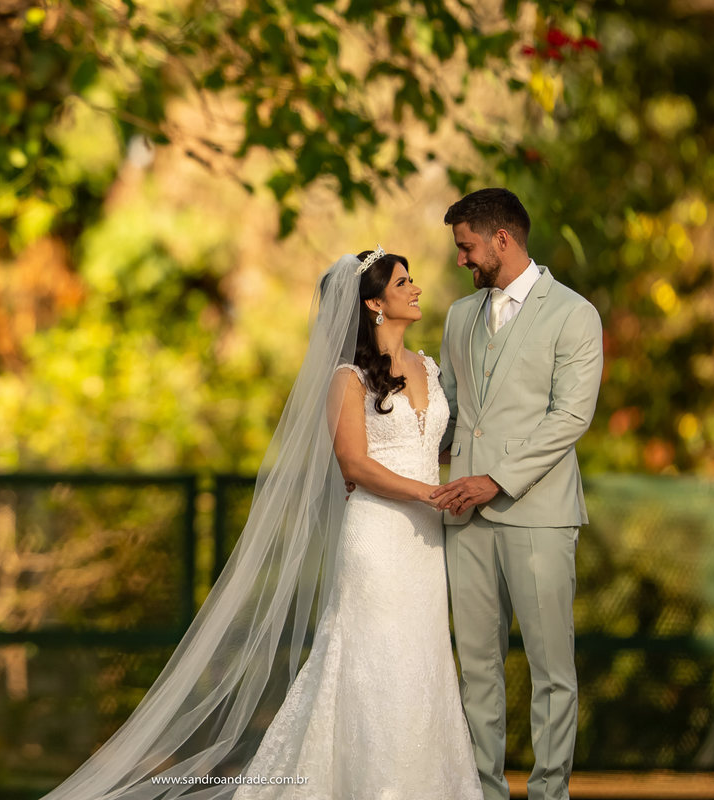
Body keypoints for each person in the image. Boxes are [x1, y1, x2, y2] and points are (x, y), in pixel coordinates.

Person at [43, 250, 481, 799]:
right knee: (378, 659)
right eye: (403, 282)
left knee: (424, 661)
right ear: (374, 303)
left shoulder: (429, 368)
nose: (415, 289)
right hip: (377, 539)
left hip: (425, 545)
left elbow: (430, 445)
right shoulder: (346, 379)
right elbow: (354, 463)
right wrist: (428, 492)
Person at [430, 188, 604, 800]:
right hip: (464, 516)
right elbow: (450, 413)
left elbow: (570, 417)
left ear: (501, 239)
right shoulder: (459, 316)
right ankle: (484, 789)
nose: (461, 260)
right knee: (476, 666)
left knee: (551, 668)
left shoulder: (575, 314)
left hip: (539, 513)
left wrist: (496, 480)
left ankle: (550, 792)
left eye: (466, 247)